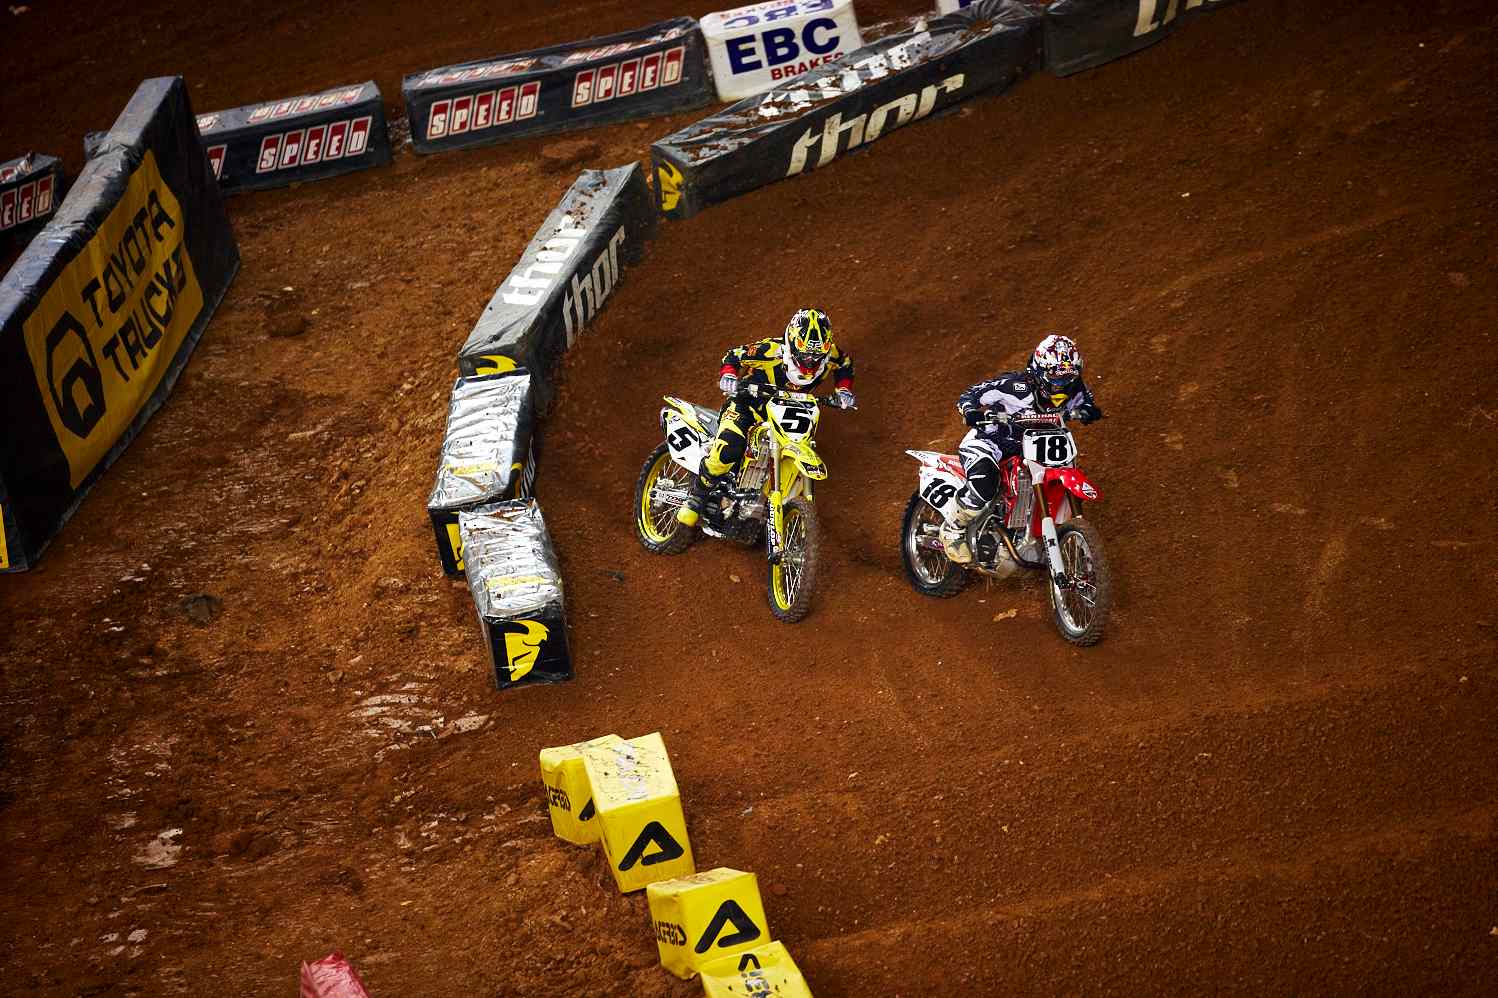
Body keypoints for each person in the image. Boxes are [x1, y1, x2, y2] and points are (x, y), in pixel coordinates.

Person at [678, 307, 856, 532]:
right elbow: (734, 355)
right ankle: (696, 496)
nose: (811, 360)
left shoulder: (831, 355)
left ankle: (763, 506)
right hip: (747, 406)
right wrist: (729, 375)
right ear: (793, 343)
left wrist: (843, 390)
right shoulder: (770, 350)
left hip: (788, 412)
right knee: (730, 448)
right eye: (805, 354)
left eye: (816, 355)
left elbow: (845, 364)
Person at [941, 334, 1103, 563]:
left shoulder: (1076, 389)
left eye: (1068, 376)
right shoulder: (1015, 386)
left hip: (1033, 448)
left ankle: (1032, 536)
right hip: (990, 442)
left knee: (1050, 481)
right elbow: (973, 393)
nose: (1062, 383)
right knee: (985, 483)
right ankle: (953, 528)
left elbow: (1087, 403)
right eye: (1055, 377)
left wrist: (1089, 411)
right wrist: (970, 410)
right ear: (1039, 371)